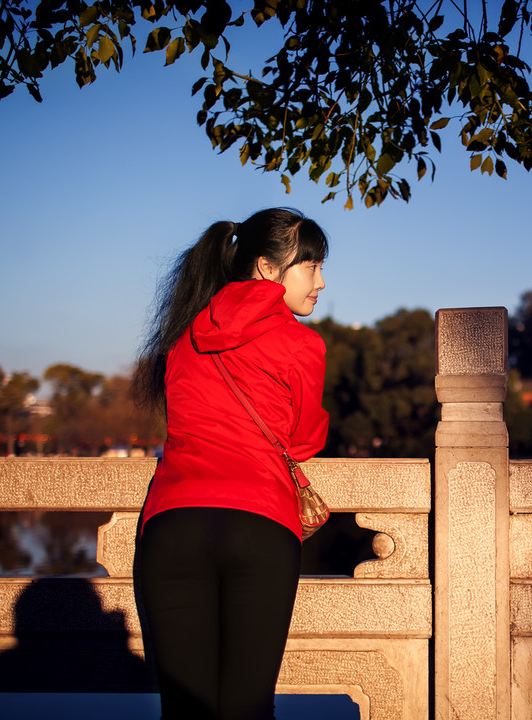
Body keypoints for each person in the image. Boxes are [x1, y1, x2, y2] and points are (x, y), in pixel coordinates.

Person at [133, 207, 330, 720]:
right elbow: (304, 440)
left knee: (184, 711)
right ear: (267, 268)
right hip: (260, 525)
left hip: (172, 524)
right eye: (310, 266)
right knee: (246, 709)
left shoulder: (182, 336)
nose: (321, 281)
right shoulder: (302, 343)